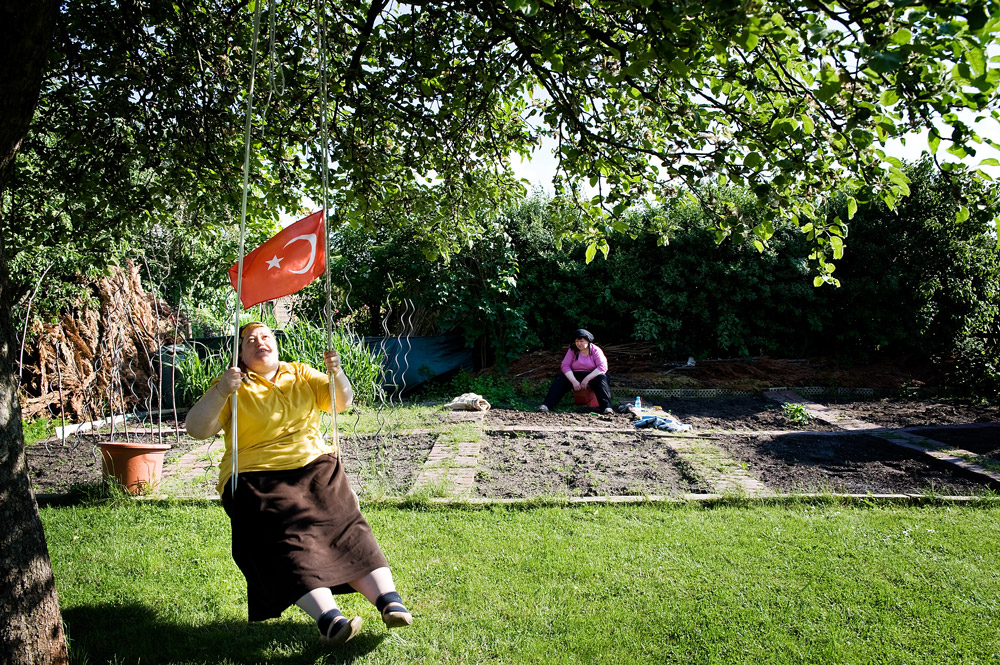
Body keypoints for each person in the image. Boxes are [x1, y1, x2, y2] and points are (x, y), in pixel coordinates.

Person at [186, 321, 411, 646]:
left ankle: (390, 602)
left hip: (314, 465)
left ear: (275, 344)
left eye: (265, 336)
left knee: (346, 526)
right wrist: (222, 390)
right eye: (250, 340)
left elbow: (340, 401)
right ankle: (331, 620)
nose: (259, 342)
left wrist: (337, 373)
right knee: (285, 538)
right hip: (254, 475)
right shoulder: (233, 386)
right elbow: (196, 428)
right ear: (242, 353)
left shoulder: (300, 373)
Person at [538, 328, 613, 414]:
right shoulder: (572, 350)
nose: (579, 344)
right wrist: (573, 381)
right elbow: (565, 365)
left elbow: (602, 367)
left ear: (587, 341)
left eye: (581, 341)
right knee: (560, 379)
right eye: (577, 341)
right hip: (575, 375)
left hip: (593, 375)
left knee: (602, 378)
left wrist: (587, 379)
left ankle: (606, 407)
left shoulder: (596, 350)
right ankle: (546, 405)